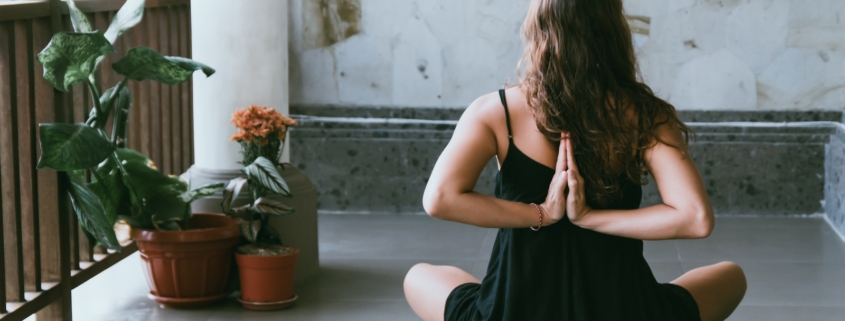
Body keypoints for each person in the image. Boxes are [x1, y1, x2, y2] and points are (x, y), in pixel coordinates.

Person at [403, 0, 747, 320]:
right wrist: (589, 218)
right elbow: (696, 219)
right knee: (732, 276)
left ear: (538, 30)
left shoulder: (495, 112)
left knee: (418, 277)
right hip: (624, 308)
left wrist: (542, 214)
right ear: (613, 32)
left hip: (514, 309)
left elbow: (439, 199)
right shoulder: (645, 115)